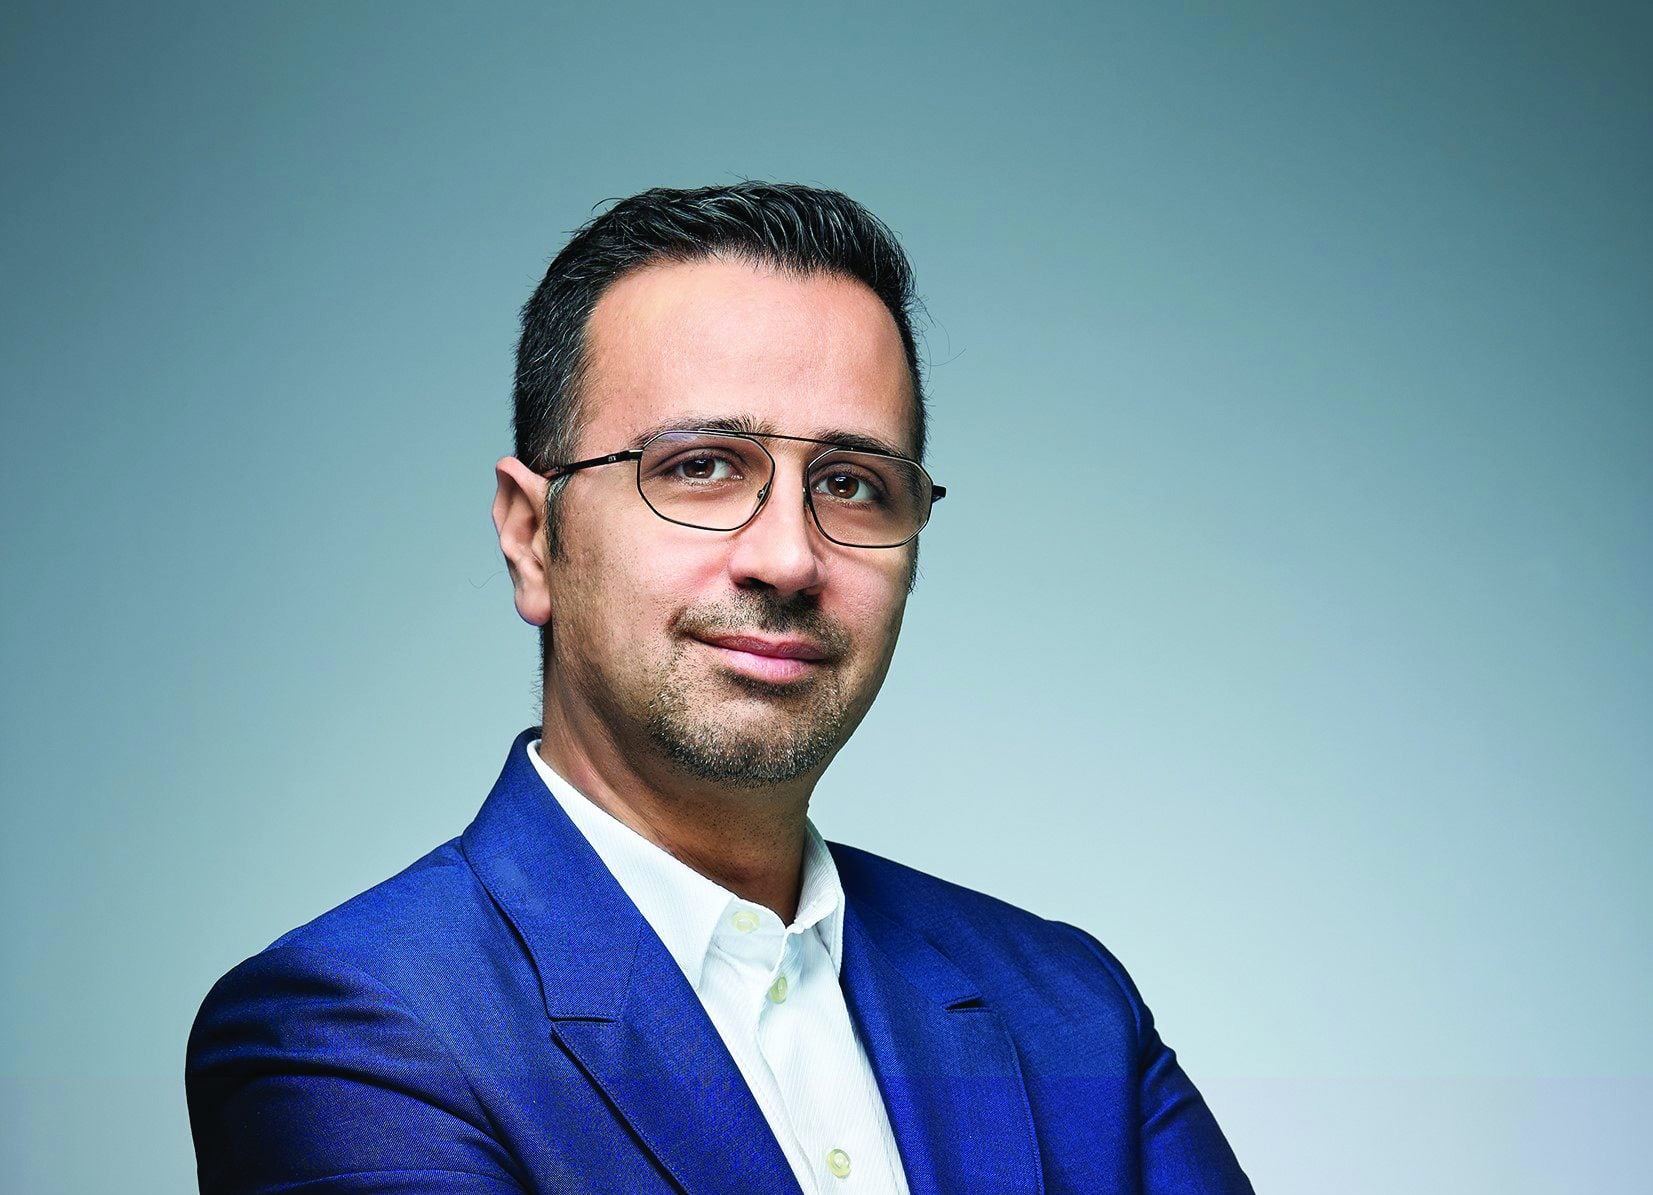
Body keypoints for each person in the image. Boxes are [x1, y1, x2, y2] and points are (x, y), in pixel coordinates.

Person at [186, 182, 1253, 1195]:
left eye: (851, 483)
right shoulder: (353, 1028)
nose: (787, 557)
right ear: (532, 538)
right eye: (700, 466)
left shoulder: (1068, 1008)